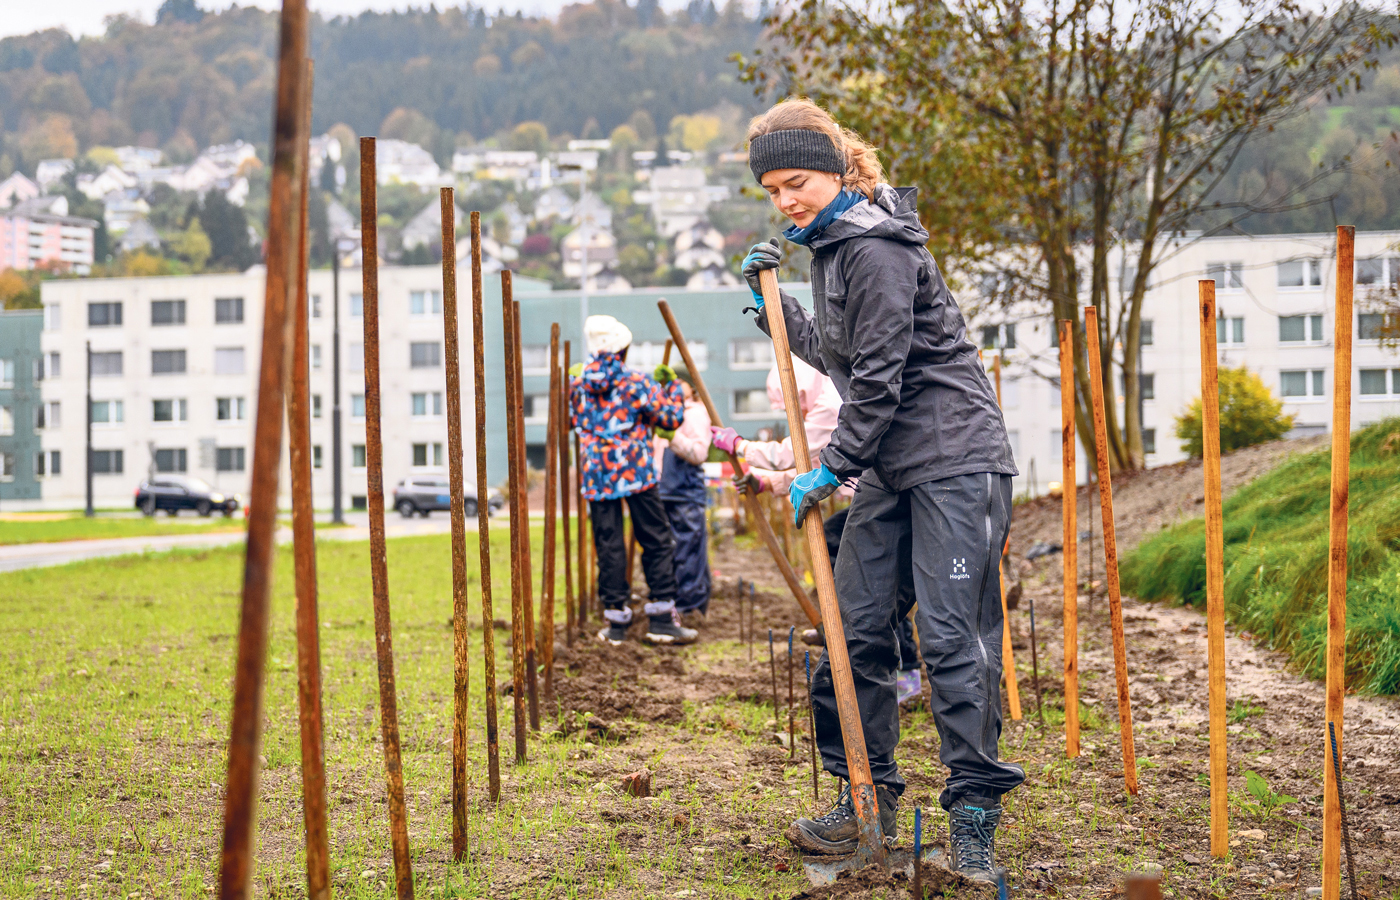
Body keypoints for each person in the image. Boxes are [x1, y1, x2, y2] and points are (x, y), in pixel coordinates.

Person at [739, 98, 1023, 883]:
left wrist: (834, 465)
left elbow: (881, 374)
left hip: (955, 457)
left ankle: (972, 817)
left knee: (949, 641)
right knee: (854, 630)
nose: (786, 199)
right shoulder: (831, 250)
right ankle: (866, 798)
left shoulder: (876, 244)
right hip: (895, 465)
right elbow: (843, 355)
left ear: (834, 169)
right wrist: (776, 310)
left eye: (796, 181)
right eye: (772, 190)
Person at [714, 363, 925, 704]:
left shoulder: (831, 402)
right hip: (882, 497)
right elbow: (821, 465)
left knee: (875, 580)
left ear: (799, 391)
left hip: (894, 499)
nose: (798, 413)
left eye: (793, 405)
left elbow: (792, 451)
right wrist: (768, 482)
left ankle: (890, 664)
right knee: (863, 570)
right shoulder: (830, 394)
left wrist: (741, 447)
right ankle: (851, 634)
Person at [571, 315, 698, 646]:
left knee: (608, 546)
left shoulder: (578, 385)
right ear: (622, 350)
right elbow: (670, 417)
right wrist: (671, 387)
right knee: (656, 539)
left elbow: (572, 420)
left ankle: (615, 625)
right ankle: (660, 619)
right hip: (636, 473)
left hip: (597, 476)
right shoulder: (636, 383)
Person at [653, 371, 713, 629]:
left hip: (685, 491)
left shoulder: (694, 413)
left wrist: (673, 437)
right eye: (669, 384)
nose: (673, 388)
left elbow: (699, 452)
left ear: (690, 386)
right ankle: (682, 602)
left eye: (679, 382)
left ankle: (691, 607)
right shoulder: (665, 412)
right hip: (665, 490)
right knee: (674, 549)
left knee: (689, 549)